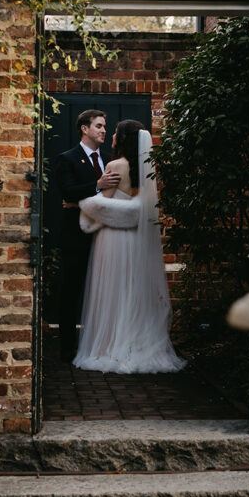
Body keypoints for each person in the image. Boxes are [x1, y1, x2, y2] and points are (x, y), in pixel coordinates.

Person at [73, 120, 186, 374]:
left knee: (112, 291)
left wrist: (82, 206)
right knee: (131, 290)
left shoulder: (115, 166)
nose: (110, 135)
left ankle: (110, 348)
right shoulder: (147, 168)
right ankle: (135, 345)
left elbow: (103, 204)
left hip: (113, 238)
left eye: (114, 132)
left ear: (123, 138)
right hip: (135, 239)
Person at [55, 109, 119, 362]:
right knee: (71, 293)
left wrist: (82, 200)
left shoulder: (109, 160)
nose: (104, 130)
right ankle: (67, 350)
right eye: (99, 126)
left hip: (104, 238)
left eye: (105, 126)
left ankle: (100, 345)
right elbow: (68, 192)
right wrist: (96, 186)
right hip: (76, 238)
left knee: (104, 293)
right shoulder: (67, 159)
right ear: (84, 128)